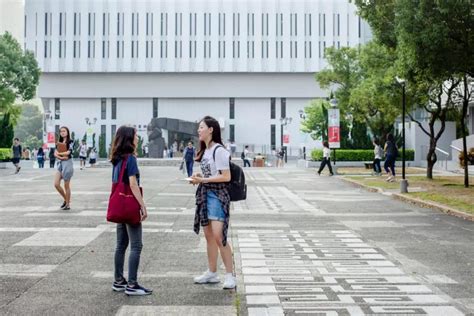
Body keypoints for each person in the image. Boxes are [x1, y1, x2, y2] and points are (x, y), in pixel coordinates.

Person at [189, 116, 236, 290]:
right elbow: (211, 174)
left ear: (211, 130)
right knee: (209, 236)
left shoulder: (219, 150)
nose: (198, 130)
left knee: (219, 236)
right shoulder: (206, 151)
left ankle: (230, 275)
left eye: (201, 127)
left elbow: (226, 176)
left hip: (217, 196)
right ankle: (212, 272)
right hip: (205, 194)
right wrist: (200, 178)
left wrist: (204, 180)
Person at [110, 126, 152, 296]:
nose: (137, 138)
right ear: (129, 138)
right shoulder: (131, 159)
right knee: (136, 245)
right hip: (129, 205)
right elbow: (133, 184)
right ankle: (132, 284)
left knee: (121, 245)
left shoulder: (117, 158)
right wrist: (142, 205)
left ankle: (119, 281)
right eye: (135, 135)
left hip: (120, 204)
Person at [54, 126, 74, 210]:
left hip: (68, 164)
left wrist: (60, 155)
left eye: (64, 131)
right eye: (61, 131)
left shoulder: (71, 141)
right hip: (60, 163)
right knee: (56, 184)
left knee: (66, 186)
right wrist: (61, 156)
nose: (62, 133)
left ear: (67, 132)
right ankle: (66, 200)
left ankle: (68, 204)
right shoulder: (59, 142)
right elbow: (55, 153)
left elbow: (69, 152)